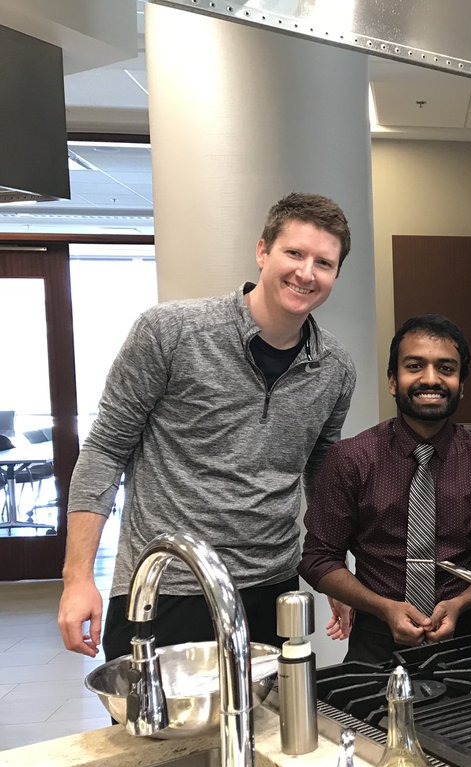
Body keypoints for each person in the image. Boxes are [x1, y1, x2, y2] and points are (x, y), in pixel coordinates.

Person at [58, 192, 357, 659]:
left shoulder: (335, 369)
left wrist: (333, 572)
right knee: (157, 732)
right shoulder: (169, 333)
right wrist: (77, 579)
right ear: (263, 251)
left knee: (261, 729)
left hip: (271, 588)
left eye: (324, 262)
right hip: (166, 584)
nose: (306, 273)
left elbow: (321, 472)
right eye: (294, 253)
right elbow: (105, 451)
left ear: (336, 274)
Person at [300, 315, 471, 664]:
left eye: (446, 368)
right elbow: (319, 558)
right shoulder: (351, 459)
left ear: (461, 385)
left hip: (468, 643)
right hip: (374, 643)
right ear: (393, 381)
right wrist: (383, 607)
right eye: (415, 366)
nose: (431, 379)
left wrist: (460, 603)